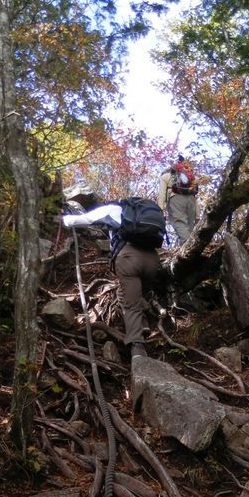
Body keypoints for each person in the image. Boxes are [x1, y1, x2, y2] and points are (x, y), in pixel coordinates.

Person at [61, 201, 162, 359]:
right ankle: (144, 324)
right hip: (153, 261)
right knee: (131, 293)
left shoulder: (114, 209)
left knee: (131, 305)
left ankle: (138, 350)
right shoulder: (145, 216)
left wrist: (64, 220)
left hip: (129, 258)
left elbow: (85, 220)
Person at [158, 154, 198, 246]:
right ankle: (188, 248)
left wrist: (161, 210)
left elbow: (162, 195)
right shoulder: (191, 178)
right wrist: (197, 214)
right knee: (190, 227)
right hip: (191, 200)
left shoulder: (165, 176)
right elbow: (195, 193)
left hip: (176, 200)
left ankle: (188, 250)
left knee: (180, 224)